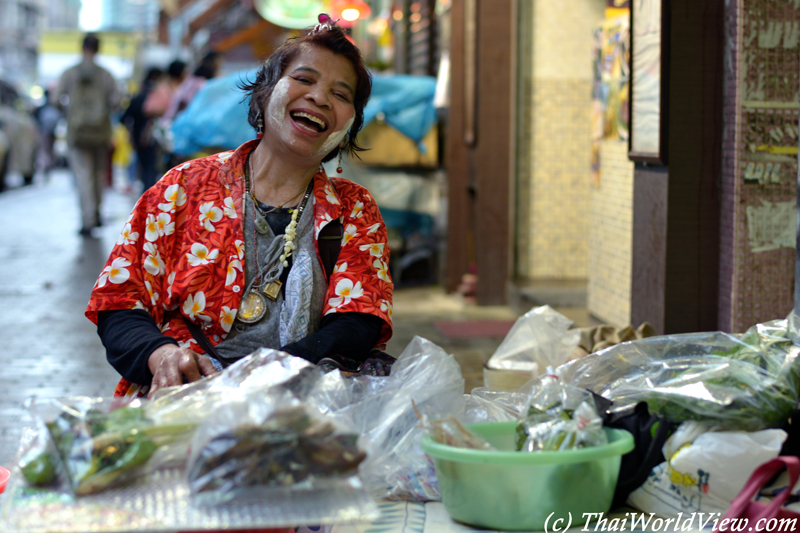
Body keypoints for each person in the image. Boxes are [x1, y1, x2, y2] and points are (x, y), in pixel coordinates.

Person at [86, 15, 394, 399]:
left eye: (341, 94)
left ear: (349, 124)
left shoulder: (355, 209)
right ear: (265, 92)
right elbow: (118, 303)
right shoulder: (182, 188)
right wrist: (160, 354)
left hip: (299, 409)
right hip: (180, 406)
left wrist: (262, 378)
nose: (319, 97)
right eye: (303, 79)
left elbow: (357, 323)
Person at [54, 32, 119, 236]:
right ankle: (97, 213)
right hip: (101, 132)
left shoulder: (69, 73)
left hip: (77, 132)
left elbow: (56, 99)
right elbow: (116, 101)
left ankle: (87, 220)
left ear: (81, 48)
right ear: (98, 49)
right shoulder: (106, 74)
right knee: (99, 174)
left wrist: (70, 114)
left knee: (83, 175)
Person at [119, 67, 163, 192]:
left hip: (138, 137)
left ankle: (146, 193)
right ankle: (150, 193)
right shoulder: (158, 98)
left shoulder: (137, 98)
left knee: (143, 167)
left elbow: (123, 119)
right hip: (153, 138)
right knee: (151, 167)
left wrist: (131, 133)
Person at [34, 88, 63, 179]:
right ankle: (47, 167)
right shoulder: (53, 107)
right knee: (49, 151)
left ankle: (45, 167)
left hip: (44, 132)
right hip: (50, 132)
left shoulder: (42, 107)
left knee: (44, 151)